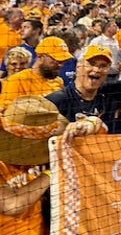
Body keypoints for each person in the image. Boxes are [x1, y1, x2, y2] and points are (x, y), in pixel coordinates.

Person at [0, 95, 100, 234]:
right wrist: (51, 172)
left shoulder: (44, 134)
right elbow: (12, 205)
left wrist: (90, 123)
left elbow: (96, 124)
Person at [47, 27, 121, 133]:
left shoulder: (110, 92)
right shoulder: (58, 100)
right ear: (79, 66)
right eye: (91, 64)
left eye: (103, 66)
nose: (96, 69)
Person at [0, 36, 73, 109]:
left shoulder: (58, 81)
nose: (60, 65)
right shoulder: (16, 81)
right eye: (56, 60)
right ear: (40, 57)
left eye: (62, 61)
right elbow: (8, 114)